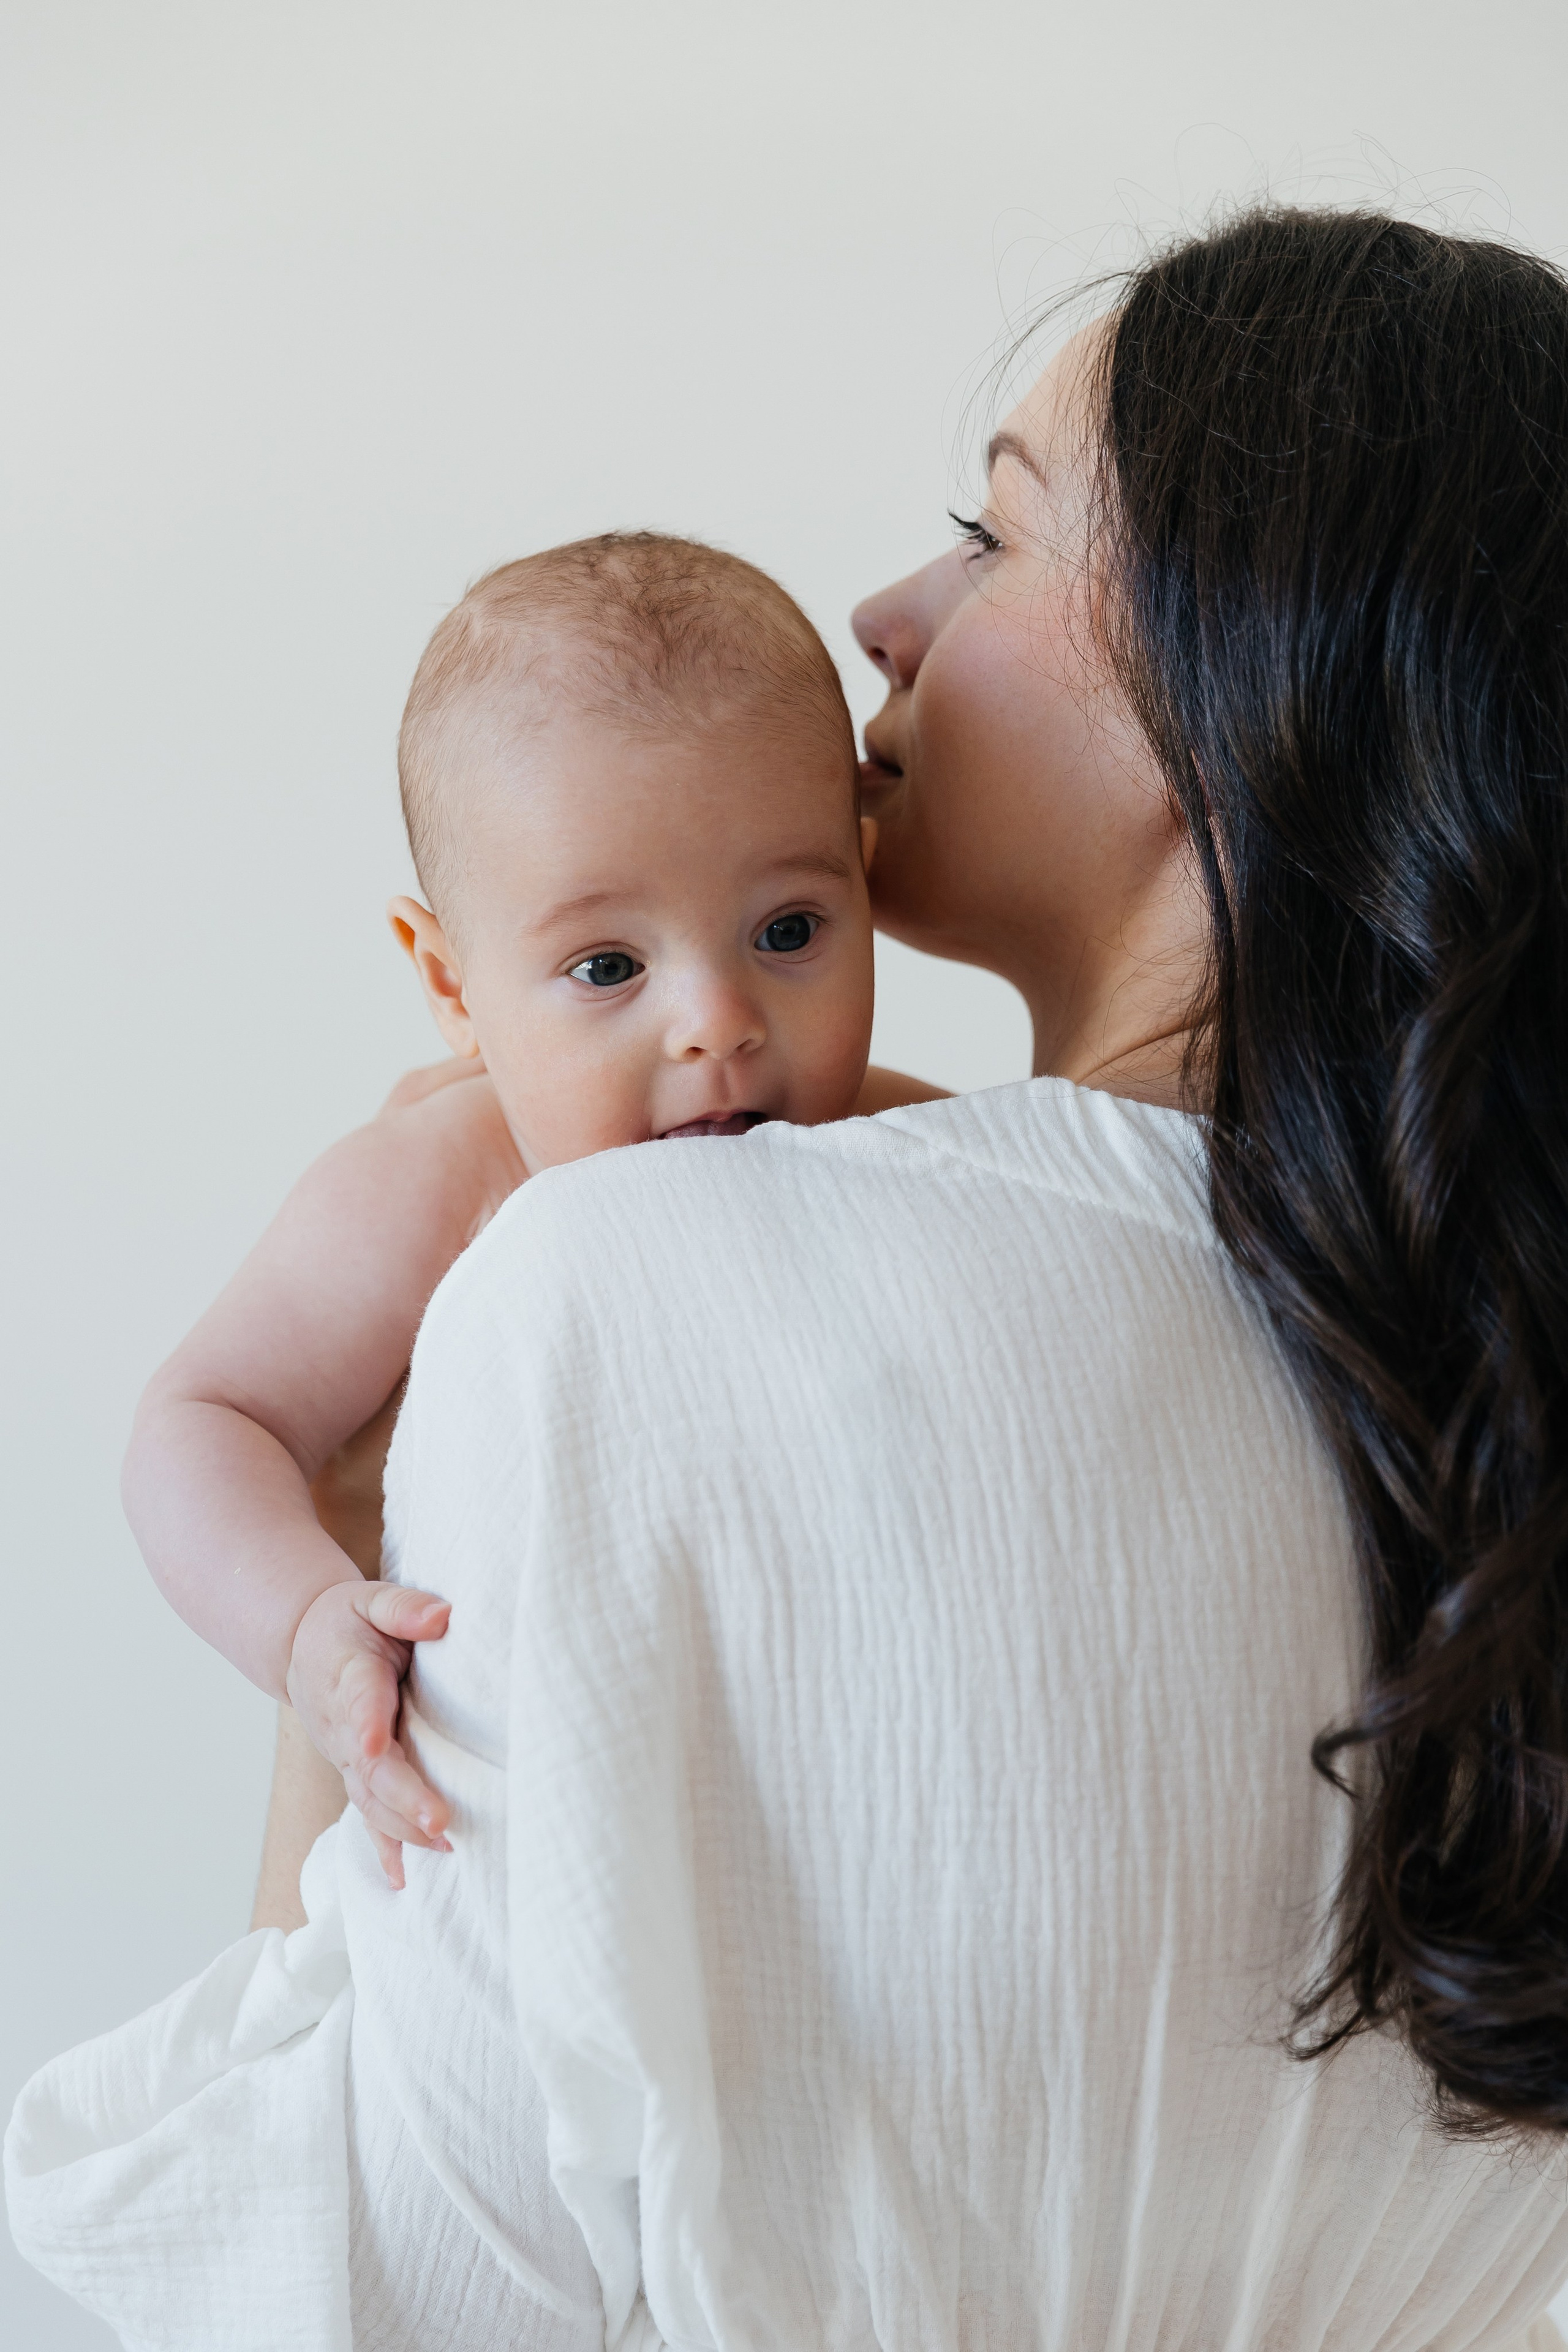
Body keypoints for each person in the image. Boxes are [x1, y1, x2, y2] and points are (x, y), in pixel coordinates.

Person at [10, 205, 1568, 2351]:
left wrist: (349, 1605)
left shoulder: (617, 1288)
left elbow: (372, 2290)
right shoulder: (1496, 1426)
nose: (882, 613)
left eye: (994, 538)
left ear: (1241, 663)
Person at [117, 530, 943, 1888]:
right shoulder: (449, 1172)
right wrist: (308, 1621)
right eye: (608, 965)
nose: (718, 1025)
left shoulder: (911, 1145)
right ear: (449, 985)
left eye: (788, 931)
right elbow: (203, 1419)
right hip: (476, 1836)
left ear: (861, 879)